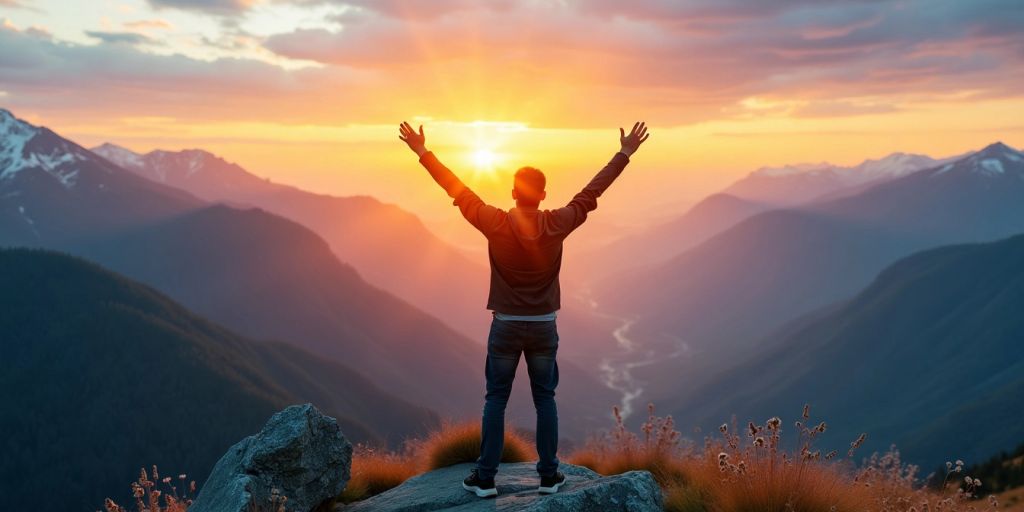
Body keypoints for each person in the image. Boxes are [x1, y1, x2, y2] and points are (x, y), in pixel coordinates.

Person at [398, 120, 650, 498]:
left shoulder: (495, 222)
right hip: (544, 327)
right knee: (545, 399)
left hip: (505, 326)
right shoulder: (557, 223)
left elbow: (456, 188)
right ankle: (549, 476)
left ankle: (485, 478)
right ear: (543, 194)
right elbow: (592, 192)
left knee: (495, 399)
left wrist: (421, 151)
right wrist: (625, 153)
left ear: (514, 192)